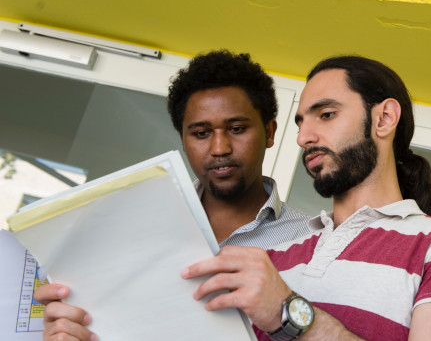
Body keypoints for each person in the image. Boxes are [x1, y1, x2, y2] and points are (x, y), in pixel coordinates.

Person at [182, 55, 431, 340]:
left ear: (384, 118)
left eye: (326, 114)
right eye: (302, 123)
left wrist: (290, 313)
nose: (304, 138)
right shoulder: (275, 256)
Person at [35, 50, 311, 341]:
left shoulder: (312, 242)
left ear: (269, 132)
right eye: (201, 133)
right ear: (183, 139)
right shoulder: (133, 230)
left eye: (237, 129)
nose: (219, 148)